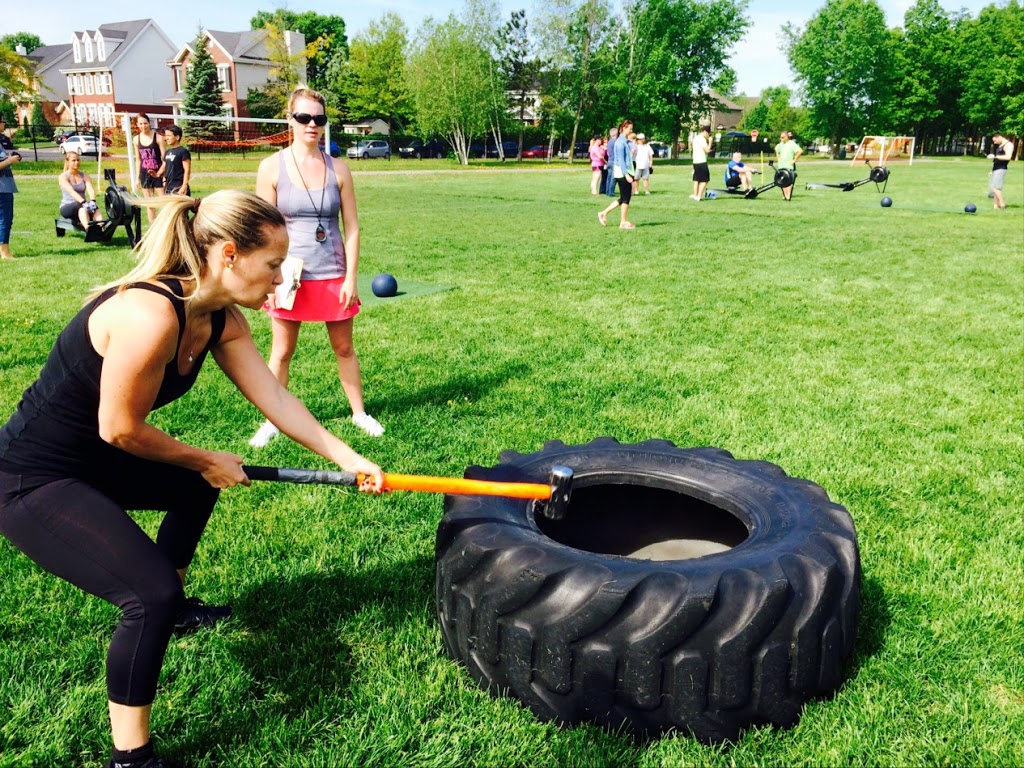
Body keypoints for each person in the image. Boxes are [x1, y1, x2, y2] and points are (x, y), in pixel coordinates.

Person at [0, 189, 384, 768]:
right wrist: (206, 457)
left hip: (94, 459)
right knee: (146, 593)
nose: (283, 280)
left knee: (192, 493)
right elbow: (120, 429)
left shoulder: (219, 316)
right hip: (32, 477)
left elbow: (274, 396)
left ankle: (174, 611)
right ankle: (132, 757)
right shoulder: (150, 314)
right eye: (274, 265)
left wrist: (345, 456)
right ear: (228, 255)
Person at [250, 86, 384, 447]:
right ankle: (272, 420)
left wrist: (351, 277)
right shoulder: (271, 167)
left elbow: (352, 226)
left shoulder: (338, 168)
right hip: (289, 277)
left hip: (333, 274)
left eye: (319, 119)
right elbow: (265, 230)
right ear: (290, 120)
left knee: (344, 348)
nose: (312, 125)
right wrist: (271, 277)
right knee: (281, 352)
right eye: (304, 117)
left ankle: (359, 413)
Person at [598, 119, 636, 230]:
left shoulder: (624, 141)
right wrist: (626, 174)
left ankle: (604, 213)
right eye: (630, 128)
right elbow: (620, 160)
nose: (631, 130)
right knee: (626, 198)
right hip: (622, 173)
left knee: (624, 197)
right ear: (624, 128)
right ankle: (623, 222)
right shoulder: (620, 142)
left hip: (625, 172)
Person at [58, 151, 104, 228]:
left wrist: (93, 201)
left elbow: (90, 190)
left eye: (78, 160)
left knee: (94, 208)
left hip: (82, 206)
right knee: (81, 206)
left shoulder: (85, 176)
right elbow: (71, 192)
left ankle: (101, 227)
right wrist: (83, 202)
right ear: (67, 162)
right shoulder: (63, 177)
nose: (77, 162)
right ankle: (88, 229)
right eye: (73, 160)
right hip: (67, 208)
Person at [133, 114, 164, 224]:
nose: (143, 126)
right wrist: (137, 178)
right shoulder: (136, 139)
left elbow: (164, 159)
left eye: (145, 123)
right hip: (144, 174)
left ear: (149, 123)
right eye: (140, 123)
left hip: (158, 173)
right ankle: (153, 226)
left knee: (163, 200)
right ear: (137, 125)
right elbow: (138, 159)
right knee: (149, 202)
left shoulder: (158, 138)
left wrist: (162, 175)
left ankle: (165, 223)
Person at [0, 116, 20, 260]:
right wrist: (10, 161)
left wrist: (12, 158)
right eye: (2, 121)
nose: (4, 123)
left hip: (5, 186)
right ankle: (4, 251)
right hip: (2, 188)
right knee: (5, 219)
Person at [151, 125, 191, 196]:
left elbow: (187, 170)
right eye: (166, 136)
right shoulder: (167, 152)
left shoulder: (183, 151)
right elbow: (164, 165)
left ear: (177, 137)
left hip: (179, 186)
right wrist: (157, 174)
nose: (166, 138)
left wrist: (184, 186)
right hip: (168, 186)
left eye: (169, 135)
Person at [987, 132, 1014, 209]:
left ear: (999, 136)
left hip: (1001, 168)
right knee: (994, 188)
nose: (994, 142)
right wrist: (992, 171)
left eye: (995, 140)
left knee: (995, 188)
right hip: (996, 168)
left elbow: (1008, 157)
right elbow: (996, 160)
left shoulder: (1008, 145)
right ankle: (995, 206)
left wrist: (995, 156)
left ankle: (1002, 205)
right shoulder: (1000, 145)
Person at [775, 130, 802, 200]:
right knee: (782, 182)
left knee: (788, 182)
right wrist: (778, 158)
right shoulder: (781, 144)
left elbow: (800, 151)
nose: (781, 139)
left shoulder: (792, 144)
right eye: (780, 137)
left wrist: (794, 160)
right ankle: (785, 196)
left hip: (788, 166)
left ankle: (788, 196)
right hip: (781, 166)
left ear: (787, 137)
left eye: (783, 137)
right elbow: (776, 149)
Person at [690, 125, 712, 201]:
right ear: (705, 132)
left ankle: (695, 195)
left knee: (697, 179)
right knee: (705, 180)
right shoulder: (702, 139)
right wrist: (710, 142)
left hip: (695, 161)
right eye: (708, 134)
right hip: (701, 161)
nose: (708, 135)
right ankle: (698, 196)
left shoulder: (695, 138)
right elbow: (707, 150)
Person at [605, 127, 619, 197]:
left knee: (609, 177)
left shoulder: (609, 142)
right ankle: (611, 192)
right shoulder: (616, 141)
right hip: (614, 161)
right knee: (614, 178)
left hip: (609, 161)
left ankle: (607, 191)